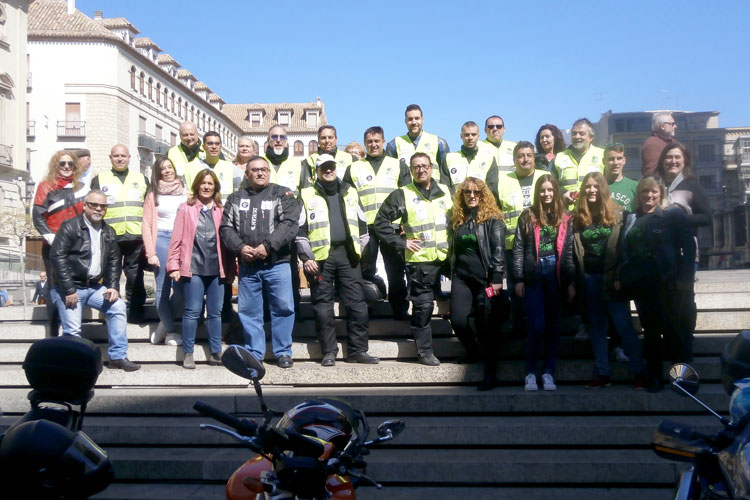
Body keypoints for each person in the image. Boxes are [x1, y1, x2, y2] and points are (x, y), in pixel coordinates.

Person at [297, 154, 378, 366]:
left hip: (348, 256)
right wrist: (306, 257)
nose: (328, 170)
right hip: (320, 259)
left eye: (331, 166)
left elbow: (363, 227)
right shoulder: (306, 194)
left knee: (357, 305)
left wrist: (359, 251)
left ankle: (358, 351)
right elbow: (300, 230)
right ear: (317, 170)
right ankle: (329, 352)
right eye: (324, 167)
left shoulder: (351, 191)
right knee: (323, 308)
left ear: (336, 168)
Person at [616, 176, 695, 392]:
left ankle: (680, 378)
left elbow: (689, 248)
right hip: (642, 286)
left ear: (660, 193)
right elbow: (624, 249)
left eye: (653, 192)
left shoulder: (672, 216)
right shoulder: (631, 217)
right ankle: (654, 377)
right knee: (651, 333)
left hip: (668, 283)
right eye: (644, 192)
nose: (649, 196)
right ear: (639, 195)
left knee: (673, 332)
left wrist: (685, 278)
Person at [220, 156, 300, 368]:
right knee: (249, 312)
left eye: (263, 169)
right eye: (254, 170)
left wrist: (268, 246)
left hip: (277, 263)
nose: (260, 173)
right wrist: (240, 248)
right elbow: (225, 228)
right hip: (248, 267)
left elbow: (290, 223)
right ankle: (255, 352)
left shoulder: (282, 194)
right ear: (247, 174)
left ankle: (283, 352)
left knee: (283, 308)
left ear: (269, 172)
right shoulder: (236, 198)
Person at [49, 190, 140, 371]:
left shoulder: (108, 231)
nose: (98, 209)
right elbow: (57, 256)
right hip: (68, 287)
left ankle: (117, 356)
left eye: (103, 206)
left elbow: (115, 261)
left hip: (92, 287)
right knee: (73, 329)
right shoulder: (70, 227)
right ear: (85, 206)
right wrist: (69, 290)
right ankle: (72, 366)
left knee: (118, 307)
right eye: (94, 205)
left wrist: (113, 287)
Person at [375, 152, 452, 366]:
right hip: (420, 262)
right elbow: (381, 222)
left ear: (432, 168)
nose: (421, 169)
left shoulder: (446, 191)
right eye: (416, 167)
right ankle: (425, 352)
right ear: (411, 170)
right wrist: (402, 243)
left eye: (425, 166)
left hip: (447, 259)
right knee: (423, 308)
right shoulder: (403, 194)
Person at [570, 172, 646, 389]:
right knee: (596, 328)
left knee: (623, 326)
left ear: (603, 189)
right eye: (588, 187)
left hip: (612, 280)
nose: (591, 190)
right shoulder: (578, 217)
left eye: (596, 186)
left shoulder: (619, 215)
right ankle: (603, 373)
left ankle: (639, 372)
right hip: (589, 279)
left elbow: (625, 250)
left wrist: (620, 276)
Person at [513, 174, 574, 391]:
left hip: (556, 275)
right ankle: (531, 372)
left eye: (550, 190)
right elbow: (519, 248)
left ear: (556, 191)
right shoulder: (527, 216)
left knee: (553, 327)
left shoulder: (566, 217)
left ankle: (548, 372)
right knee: (536, 326)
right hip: (534, 274)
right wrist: (518, 278)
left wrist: (569, 281)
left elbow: (568, 252)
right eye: (542, 190)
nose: (546, 194)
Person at [166, 169, 232, 369]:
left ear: (215, 187)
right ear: (196, 185)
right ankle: (188, 352)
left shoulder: (221, 210)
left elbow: (228, 244)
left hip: (216, 269)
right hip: (192, 268)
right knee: (193, 311)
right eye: (203, 183)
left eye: (210, 184)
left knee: (215, 313)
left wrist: (231, 271)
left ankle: (215, 352)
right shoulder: (186, 208)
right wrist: (173, 266)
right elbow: (176, 239)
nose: (206, 187)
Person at [343, 126, 412, 319]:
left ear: (383, 142)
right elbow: (348, 198)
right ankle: (370, 306)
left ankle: (400, 309)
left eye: (377, 141)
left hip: (392, 227)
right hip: (366, 229)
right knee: (366, 270)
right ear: (365, 144)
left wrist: (406, 222)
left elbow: (407, 195)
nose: (373, 145)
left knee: (396, 271)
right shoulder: (354, 168)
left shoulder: (398, 165)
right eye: (370, 142)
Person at [449, 177, 507, 390]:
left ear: (483, 195)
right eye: (467, 192)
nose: (471, 196)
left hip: (485, 279)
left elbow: (499, 249)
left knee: (487, 326)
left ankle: (490, 373)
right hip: (461, 277)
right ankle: (473, 352)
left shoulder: (493, 218)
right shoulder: (457, 218)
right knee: (458, 321)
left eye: (476, 192)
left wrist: (497, 278)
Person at [658, 142, 712, 361]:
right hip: (659, 252)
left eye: (677, 157)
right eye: (669, 157)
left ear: (684, 160)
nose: (673, 161)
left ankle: (686, 341)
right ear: (662, 160)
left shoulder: (692, 185)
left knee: (685, 299)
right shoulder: (656, 183)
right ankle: (670, 343)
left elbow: (707, 217)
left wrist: (678, 219)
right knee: (665, 300)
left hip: (685, 251)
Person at [91, 145, 149, 323]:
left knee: (135, 275)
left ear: (130, 157)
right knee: (110, 274)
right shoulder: (100, 180)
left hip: (135, 234)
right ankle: (109, 309)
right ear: (110, 158)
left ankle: (135, 311)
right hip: (110, 235)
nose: (120, 159)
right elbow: (93, 206)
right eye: (116, 156)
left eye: (123, 156)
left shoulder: (141, 178)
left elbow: (149, 206)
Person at [32, 150, 88, 336]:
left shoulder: (81, 187)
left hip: (77, 245)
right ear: (56, 165)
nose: (65, 167)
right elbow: (38, 216)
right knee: (54, 286)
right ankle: (53, 331)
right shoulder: (46, 186)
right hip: (53, 245)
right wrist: (50, 236)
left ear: (75, 166)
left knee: (76, 284)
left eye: (69, 164)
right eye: (62, 163)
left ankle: (72, 327)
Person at [496, 142, 547, 337]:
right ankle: (517, 324)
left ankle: (539, 325)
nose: (525, 159)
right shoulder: (503, 180)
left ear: (534, 158)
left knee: (539, 285)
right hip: (511, 244)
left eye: (528, 155)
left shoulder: (544, 177)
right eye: (520, 156)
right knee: (516, 287)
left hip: (540, 244)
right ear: (514, 159)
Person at [142, 155, 186, 346]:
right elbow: (146, 224)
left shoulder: (185, 193)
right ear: (157, 173)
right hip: (162, 239)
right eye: (163, 169)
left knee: (181, 289)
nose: (168, 171)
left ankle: (162, 325)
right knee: (162, 287)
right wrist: (150, 253)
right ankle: (170, 331)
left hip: (182, 242)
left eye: (170, 167)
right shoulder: (153, 195)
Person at [386, 104, 450, 177]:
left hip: (433, 187)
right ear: (405, 121)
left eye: (417, 118)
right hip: (407, 188)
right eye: (410, 119)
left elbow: (446, 174)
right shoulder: (394, 145)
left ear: (422, 119)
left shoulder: (439, 142)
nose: (414, 122)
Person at [553, 118, 604, 205]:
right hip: (567, 212)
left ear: (591, 137)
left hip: (594, 210)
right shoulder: (559, 157)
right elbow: (551, 184)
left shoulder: (602, 155)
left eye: (582, 133)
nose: (577, 137)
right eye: (574, 133)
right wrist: (562, 193)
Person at [442, 121, 498, 195]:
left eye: (473, 134)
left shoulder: (489, 159)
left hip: (480, 205)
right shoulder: (449, 158)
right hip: (456, 205)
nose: (470, 138)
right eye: (467, 135)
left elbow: (492, 188)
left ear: (478, 136)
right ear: (461, 136)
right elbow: (445, 187)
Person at [184, 131, 235, 204]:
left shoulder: (231, 168)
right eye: (210, 144)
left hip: (223, 211)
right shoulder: (189, 167)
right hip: (198, 211)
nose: (214, 147)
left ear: (220, 147)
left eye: (217, 144)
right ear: (203, 146)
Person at [604, 144, 638, 212]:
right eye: (611, 159)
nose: (615, 163)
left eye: (619, 158)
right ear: (603, 161)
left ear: (624, 160)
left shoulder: (635, 186)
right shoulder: (596, 186)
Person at [641, 112, 676, 177]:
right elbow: (651, 173)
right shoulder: (652, 144)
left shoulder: (673, 142)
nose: (675, 126)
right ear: (662, 126)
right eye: (672, 124)